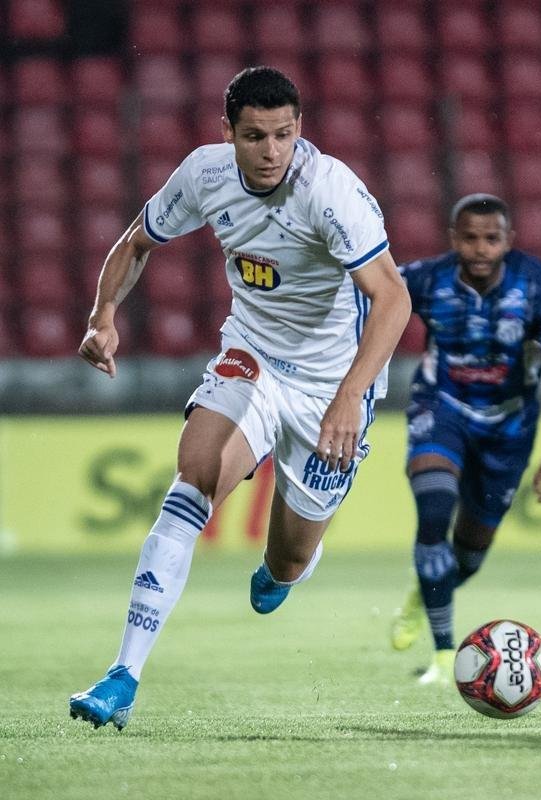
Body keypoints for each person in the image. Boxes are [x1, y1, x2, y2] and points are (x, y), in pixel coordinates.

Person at [69, 66, 411, 730]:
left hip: (329, 386)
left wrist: (350, 395)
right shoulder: (205, 174)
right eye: (255, 136)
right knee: (192, 482)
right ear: (228, 133)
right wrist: (103, 314)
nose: (272, 150)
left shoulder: (330, 193)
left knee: (284, 561)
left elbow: (393, 298)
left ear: (299, 128)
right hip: (251, 358)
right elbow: (136, 241)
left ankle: (289, 568)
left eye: (284, 134)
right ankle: (122, 676)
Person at [388, 194, 541, 685]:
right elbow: (361, 292)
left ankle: (424, 593)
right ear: (454, 240)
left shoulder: (538, 287)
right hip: (441, 407)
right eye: (469, 238)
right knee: (434, 512)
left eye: (491, 238)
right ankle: (444, 653)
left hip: (509, 427)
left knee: (469, 552)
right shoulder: (426, 279)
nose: (479, 249)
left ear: (508, 241)